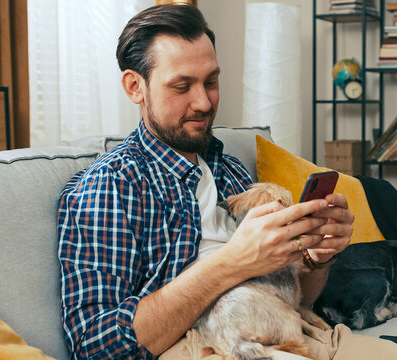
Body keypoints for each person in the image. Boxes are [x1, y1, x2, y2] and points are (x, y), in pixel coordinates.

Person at [57, 4, 353, 359]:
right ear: (135, 86)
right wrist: (233, 262)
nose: (203, 102)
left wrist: (318, 258)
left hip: (286, 333)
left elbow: (292, 298)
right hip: (203, 344)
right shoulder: (110, 187)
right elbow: (95, 348)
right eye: (182, 86)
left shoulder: (231, 170)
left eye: (211, 82)